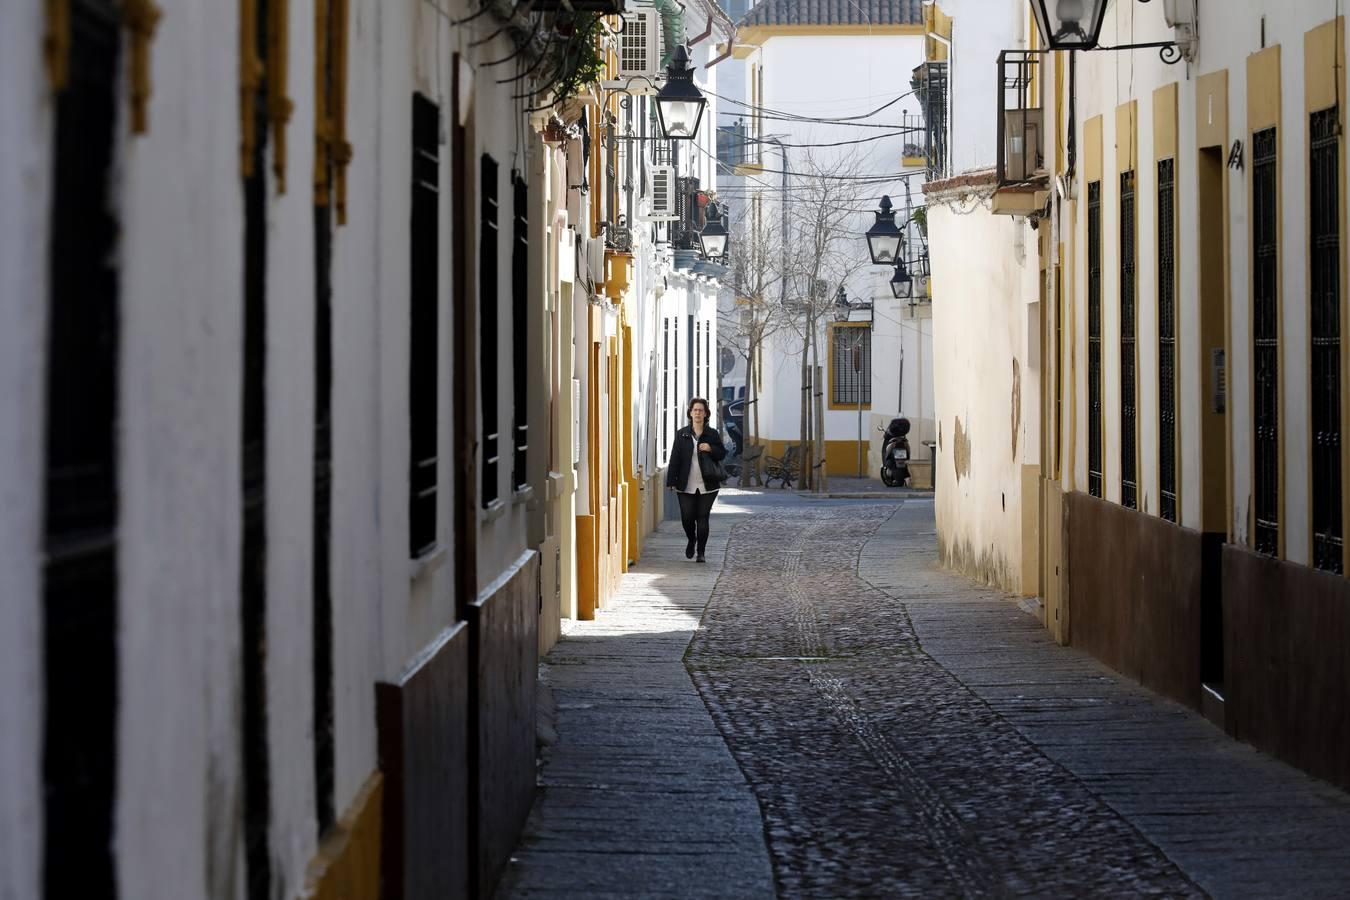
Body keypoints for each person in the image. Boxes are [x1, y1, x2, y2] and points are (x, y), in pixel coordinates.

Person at [666, 397, 727, 563]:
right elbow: (675, 459)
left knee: (702, 517)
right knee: (687, 518)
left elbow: (722, 453)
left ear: (706, 413)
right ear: (690, 413)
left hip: (708, 484)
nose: (698, 413)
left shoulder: (712, 434)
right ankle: (691, 540)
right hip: (685, 484)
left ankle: (701, 552)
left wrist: (710, 448)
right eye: (695, 410)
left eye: (701, 410)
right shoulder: (682, 434)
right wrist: (671, 480)